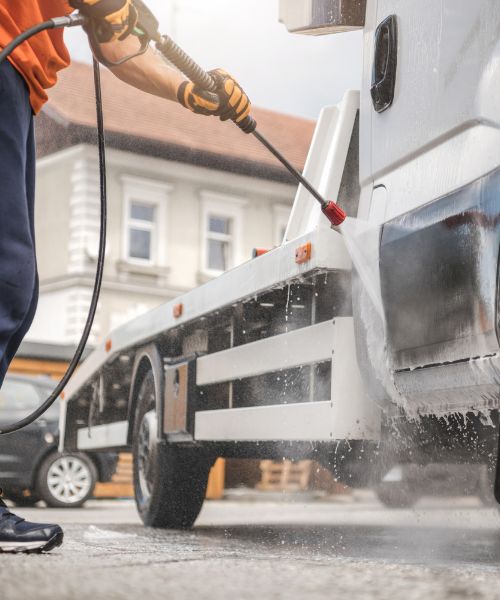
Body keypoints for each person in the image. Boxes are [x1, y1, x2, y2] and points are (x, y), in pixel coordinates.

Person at [0, 0, 251, 554]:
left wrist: (194, 92)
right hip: (3, 63)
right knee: (6, 283)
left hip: (15, 79)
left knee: (18, 291)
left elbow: (118, 43)